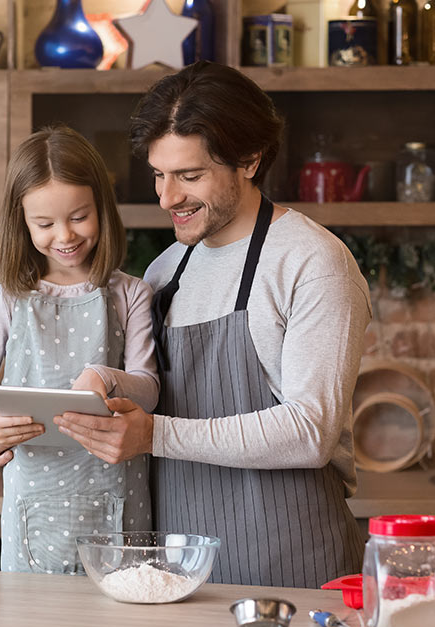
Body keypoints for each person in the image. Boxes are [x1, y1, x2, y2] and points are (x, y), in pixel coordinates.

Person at [49, 62, 372, 588]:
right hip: (181, 571)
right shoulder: (165, 271)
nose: (167, 197)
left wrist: (153, 434)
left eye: (190, 176)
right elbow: (142, 398)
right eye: (158, 173)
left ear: (249, 159)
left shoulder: (313, 262)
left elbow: (310, 432)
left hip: (292, 565)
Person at [0, 126, 159, 574]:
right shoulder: (5, 298)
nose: (64, 235)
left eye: (80, 216)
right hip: (34, 500)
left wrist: (109, 377)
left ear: (102, 207)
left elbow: (149, 390)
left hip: (117, 493)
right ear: (21, 223)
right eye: (44, 224)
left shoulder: (131, 294)